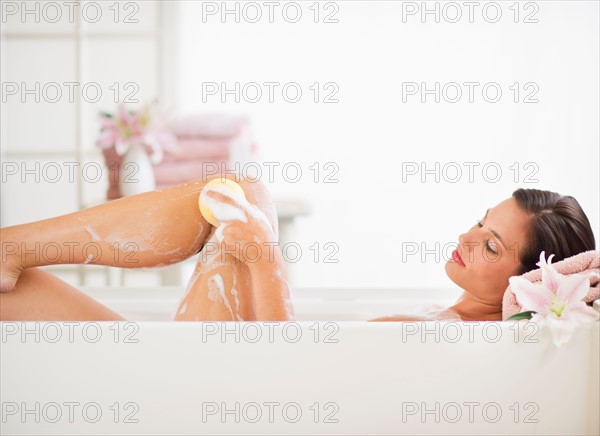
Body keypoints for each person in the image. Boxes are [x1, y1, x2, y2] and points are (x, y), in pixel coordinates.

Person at [0, 177, 595, 322]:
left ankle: (10, 245)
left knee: (240, 201)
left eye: (491, 243)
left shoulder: (479, 346)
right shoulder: (447, 323)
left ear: (532, 282)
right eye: (478, 222)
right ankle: (8, 249)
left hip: (230, 399)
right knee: (12, 291)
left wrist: (259, 249)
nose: (466, 238)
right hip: (218, 377)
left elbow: (288, 386)